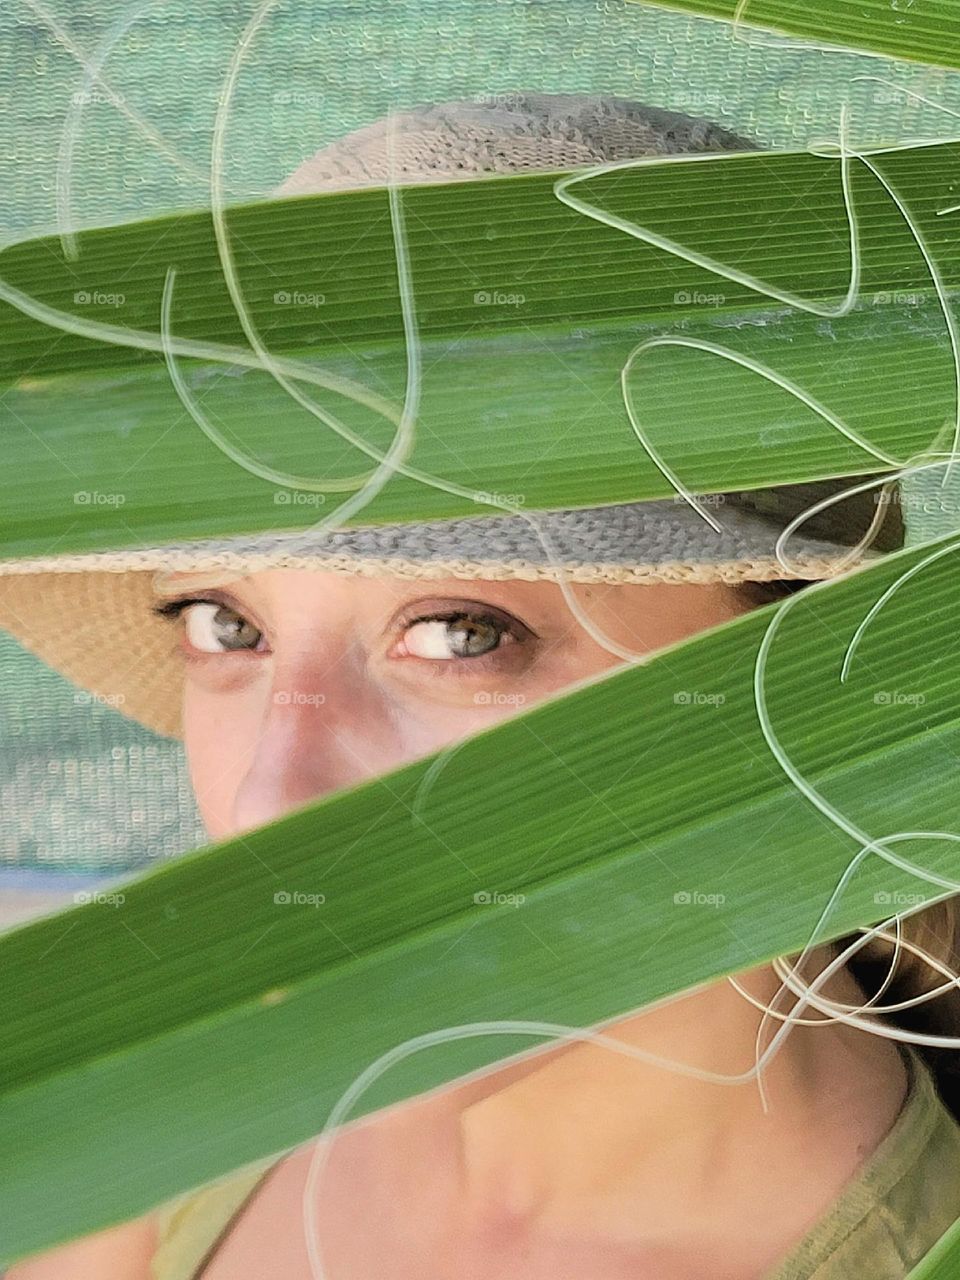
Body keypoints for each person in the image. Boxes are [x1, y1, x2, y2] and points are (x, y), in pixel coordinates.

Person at [3, 95, 959, 1280]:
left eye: (464, 634)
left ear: (812, 681)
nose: (268, 805)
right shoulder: (138, 1117)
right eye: (226, 623)